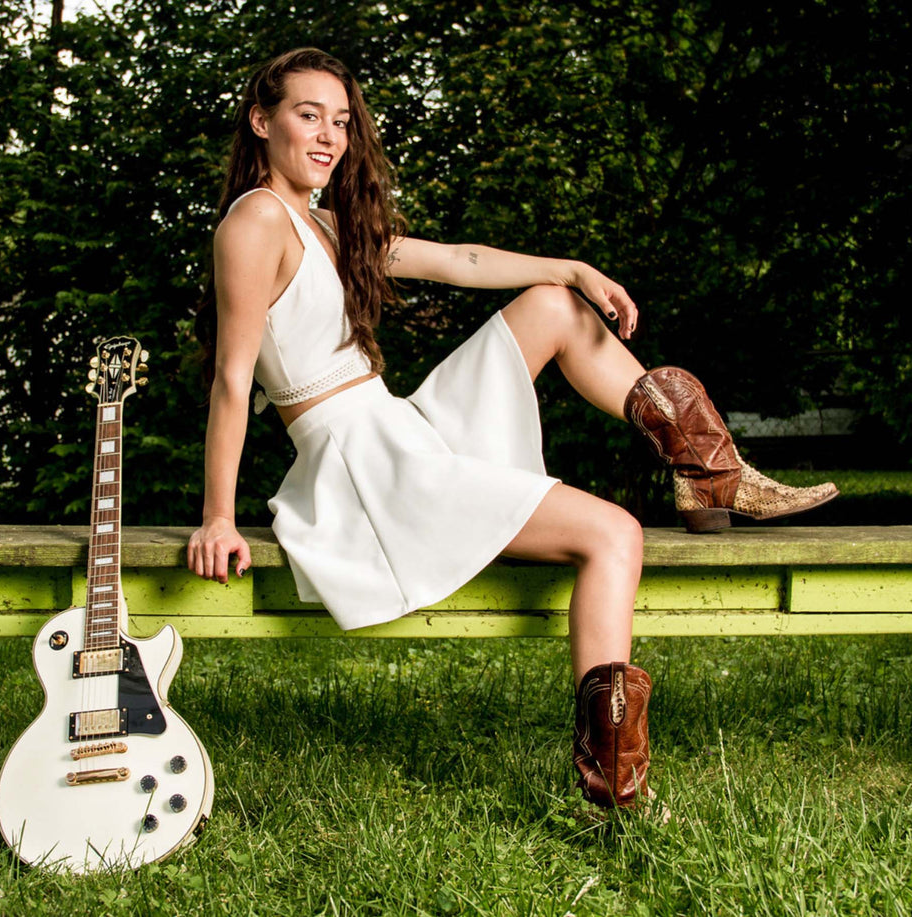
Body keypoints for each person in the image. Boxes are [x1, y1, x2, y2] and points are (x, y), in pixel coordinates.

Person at [186, 48, 837, 811]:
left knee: (553, 305)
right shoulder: (257, 220)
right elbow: (234, 378)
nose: (330, 137)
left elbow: (458, 259)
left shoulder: (322, 223)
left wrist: (571, 267)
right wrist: (218, 517)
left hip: (394, 426)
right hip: (364, 463)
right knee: (615, 533)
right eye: (308, 116)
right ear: (262, 121)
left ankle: (708, 467)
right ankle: (615, 780)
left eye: (341, 121)